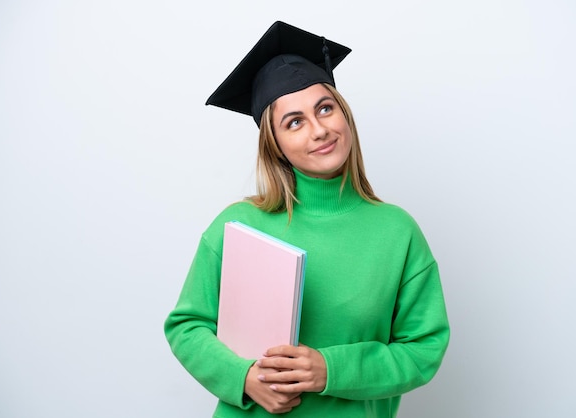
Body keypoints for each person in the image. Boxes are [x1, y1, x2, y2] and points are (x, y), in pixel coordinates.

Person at [164, 21, 450, 417]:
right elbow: (187, 325)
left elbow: (423, 349)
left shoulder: (397, 232)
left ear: (343, 114)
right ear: (276, 145)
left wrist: (331, 370)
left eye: (325, 109)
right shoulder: (239, 225)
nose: (318, 130)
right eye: (294, 122)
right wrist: (244, 378)